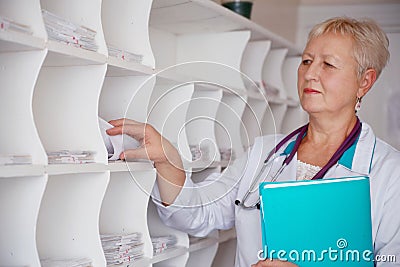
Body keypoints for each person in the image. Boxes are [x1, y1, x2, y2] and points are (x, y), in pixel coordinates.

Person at [106, 17, 400, 266]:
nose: (310, 73)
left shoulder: (389, 171)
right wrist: (166, 159)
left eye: (328, 65)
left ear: (365, 81)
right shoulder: (265, 152)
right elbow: (199, 214)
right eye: (307, 60)